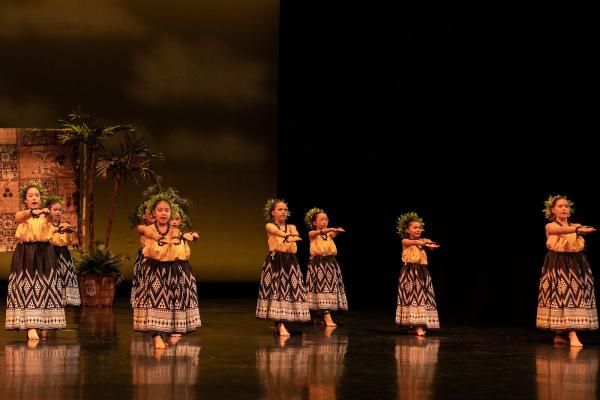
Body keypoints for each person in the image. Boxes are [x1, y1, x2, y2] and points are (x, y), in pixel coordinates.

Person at [5, 181, 66, 341]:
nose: (34, 198)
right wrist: (32, 213)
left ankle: (43, 322)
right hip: (26, 253)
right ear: (25, 200)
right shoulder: (23, 215)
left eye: (37, 195)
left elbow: (56, 217)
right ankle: (30, 326)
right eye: (30, 195)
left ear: (40, 198)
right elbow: (18, 217)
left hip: (45, 253)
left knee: (45, 286)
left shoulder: (46, 215)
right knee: (28, 287)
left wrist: (48, 212)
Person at [536, 195, 598, 347]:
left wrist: (580, 230)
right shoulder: (550, 226)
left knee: (576, 295)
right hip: (557, 263)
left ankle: (559, 335)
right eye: (560, 206)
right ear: (553, 210)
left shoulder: (576, 226)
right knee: (563, 296)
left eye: (566, 206)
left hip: (576, 263)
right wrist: (578, 229)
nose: (564, 208)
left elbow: (575, 236)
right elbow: (562, 230)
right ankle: (572, 334)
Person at [256, 199, 310, 336]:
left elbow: (296, 235)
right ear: (273, 212)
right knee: (277, 290)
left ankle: (282, 321)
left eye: (285, 209)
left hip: (290, 261)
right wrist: (287, 237)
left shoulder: (291, 226)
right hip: (276, 261)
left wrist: (291, 236)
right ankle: (279, 323)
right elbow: (277, 232)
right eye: (280, 209)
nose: (283, 212)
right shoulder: (269, 225)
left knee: (291, 290)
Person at [395, 212, 440, 336]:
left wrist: (431, 244)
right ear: (407, 230)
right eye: (415, 227)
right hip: (409, 273)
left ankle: (417, 324)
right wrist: (424, 243)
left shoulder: (423, 240)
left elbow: (427, 243)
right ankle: (416, 326)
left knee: (423, 297)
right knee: (413, 297)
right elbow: (417, 243)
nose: (418, 229)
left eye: (419, 227)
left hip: (422, 273)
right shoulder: (405, 241)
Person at [303, 207, 347, 327]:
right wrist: (329, 230)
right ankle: (327, 317)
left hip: (331, 263)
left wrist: (338, 230)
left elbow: (334, 233)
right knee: (321, 289)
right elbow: (319, 233)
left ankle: (318, 317)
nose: (324, 221)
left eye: (326, 219)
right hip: (318, 264)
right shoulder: (312, 234)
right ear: (314, 222)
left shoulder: (329, 235)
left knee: (329, 289)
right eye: (321, 219)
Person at [46, 195, 80, 306]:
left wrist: (70, 232)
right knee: (53, 275)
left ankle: (65, 299)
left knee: (64, 274)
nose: (57, 212)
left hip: (63, 253)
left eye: (60, 210)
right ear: (49, 211)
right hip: (51, 252)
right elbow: (47, 237)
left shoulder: (65, 225)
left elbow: (69, 241)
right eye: (55, 210)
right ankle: (52, 298)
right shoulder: (47, 225)